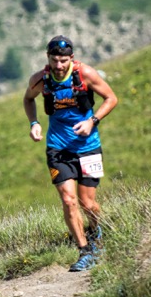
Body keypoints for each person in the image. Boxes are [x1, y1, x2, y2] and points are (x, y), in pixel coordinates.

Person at [22, 35, 118, 272]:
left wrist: (92, 121)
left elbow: (111, 98)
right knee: (68, 200)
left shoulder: (86, 74)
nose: (58, 65)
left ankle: (97, 232)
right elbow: (28, 99)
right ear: (48, 58)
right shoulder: (40, 80)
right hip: (58, 148)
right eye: (54, 60)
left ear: (71, 59)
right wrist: (34, 123)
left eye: (63, 60)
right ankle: (84, 251)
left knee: (88, 203)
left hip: (87, 147)